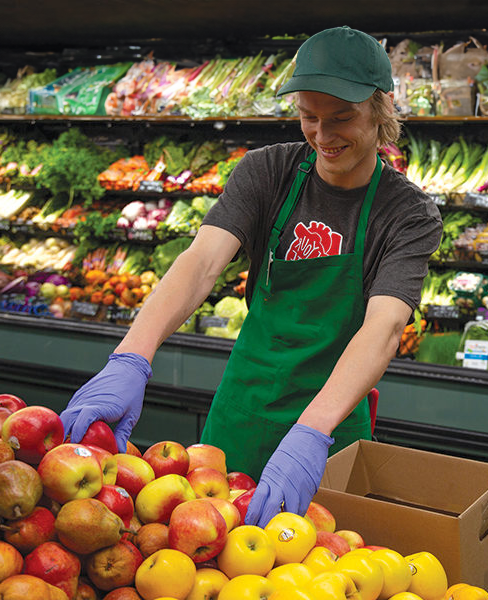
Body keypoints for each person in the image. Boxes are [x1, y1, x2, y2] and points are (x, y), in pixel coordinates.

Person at [60, 26, 443, 528]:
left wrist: (312, 433)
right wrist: (131, 355)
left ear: (382, 107)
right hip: (242, 410)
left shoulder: (407, 213)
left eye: (342, 119)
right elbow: (200, 263)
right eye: (310, 117)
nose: (323, 137)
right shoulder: (268, 172)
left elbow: (385, 327)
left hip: (328, 432)